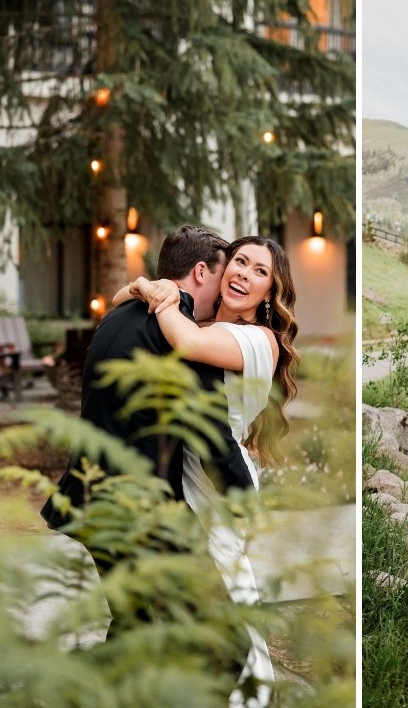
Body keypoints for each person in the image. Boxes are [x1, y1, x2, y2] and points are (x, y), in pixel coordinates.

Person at [125, 234, 299, 708]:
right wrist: (147, 284)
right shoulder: (201, 319)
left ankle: (242, 691)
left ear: (270, 293)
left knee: (222, 586)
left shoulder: (259, 340)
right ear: (221, 270)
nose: (244, 274)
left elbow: (189, 343)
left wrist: (162, 298)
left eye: (259, 271)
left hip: (221, 481)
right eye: (239, 262)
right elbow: (124, 301)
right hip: (185, 473)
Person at [41, 224, 254, 544]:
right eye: (221, 278)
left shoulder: (118, 315)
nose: (223, 292)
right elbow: (211, 438)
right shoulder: (184, 335)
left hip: (87, 501)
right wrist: (249, 503)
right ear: (200, 272)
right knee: (210, 594)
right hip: (144, 512)